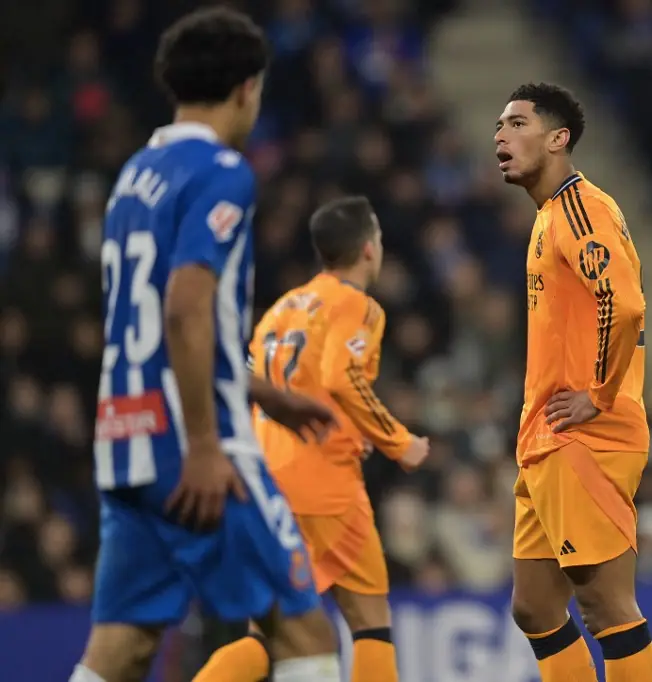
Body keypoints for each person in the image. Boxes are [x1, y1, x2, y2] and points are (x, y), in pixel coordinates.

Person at [72, 9, 342, 682]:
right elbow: (187, 308)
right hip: (193, 445)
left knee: (120, 651)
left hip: (127, 437)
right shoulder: (223, 171)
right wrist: (203, 442)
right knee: (305, 630)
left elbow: (153, 326)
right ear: (248, 87)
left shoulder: (135, 175)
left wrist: (260, 391)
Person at [196, 196, 431, 682]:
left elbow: (267, 383)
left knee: (267, 636)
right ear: (369, 250)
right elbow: (342, 376)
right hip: (326, 488)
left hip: (268, 481)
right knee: (370, 623)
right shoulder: (360, 307)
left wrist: (348, 429)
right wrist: (399, 441)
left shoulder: (284, 307)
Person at [494, 82, 652, 682]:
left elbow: (627, 303)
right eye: (497, 127)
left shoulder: (581, 208)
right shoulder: (548, 217)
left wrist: (599, 394)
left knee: (606, 606)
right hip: (547, 436)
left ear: (557, 138)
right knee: (535, 608)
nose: (500, 137)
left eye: (515, 124)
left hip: (585, 437)